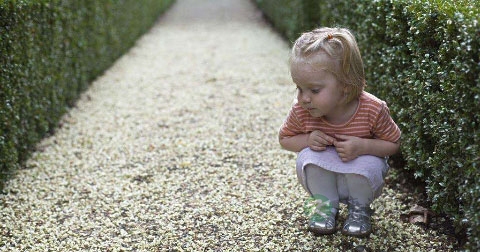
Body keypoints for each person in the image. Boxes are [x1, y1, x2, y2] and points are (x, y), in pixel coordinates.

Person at [279, 27, 401, 237]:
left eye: (314, 90)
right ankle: (325, 206)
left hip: (358, 172)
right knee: (308, 156)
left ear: (345, 86)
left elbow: (394, 143)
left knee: (371, 162)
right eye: (299, 88)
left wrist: (363, 146)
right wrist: (307, 139)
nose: (303, 98)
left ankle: (359, 208)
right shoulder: (302, 109)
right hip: (326, 174)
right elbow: (284, 139)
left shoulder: (372, 109)